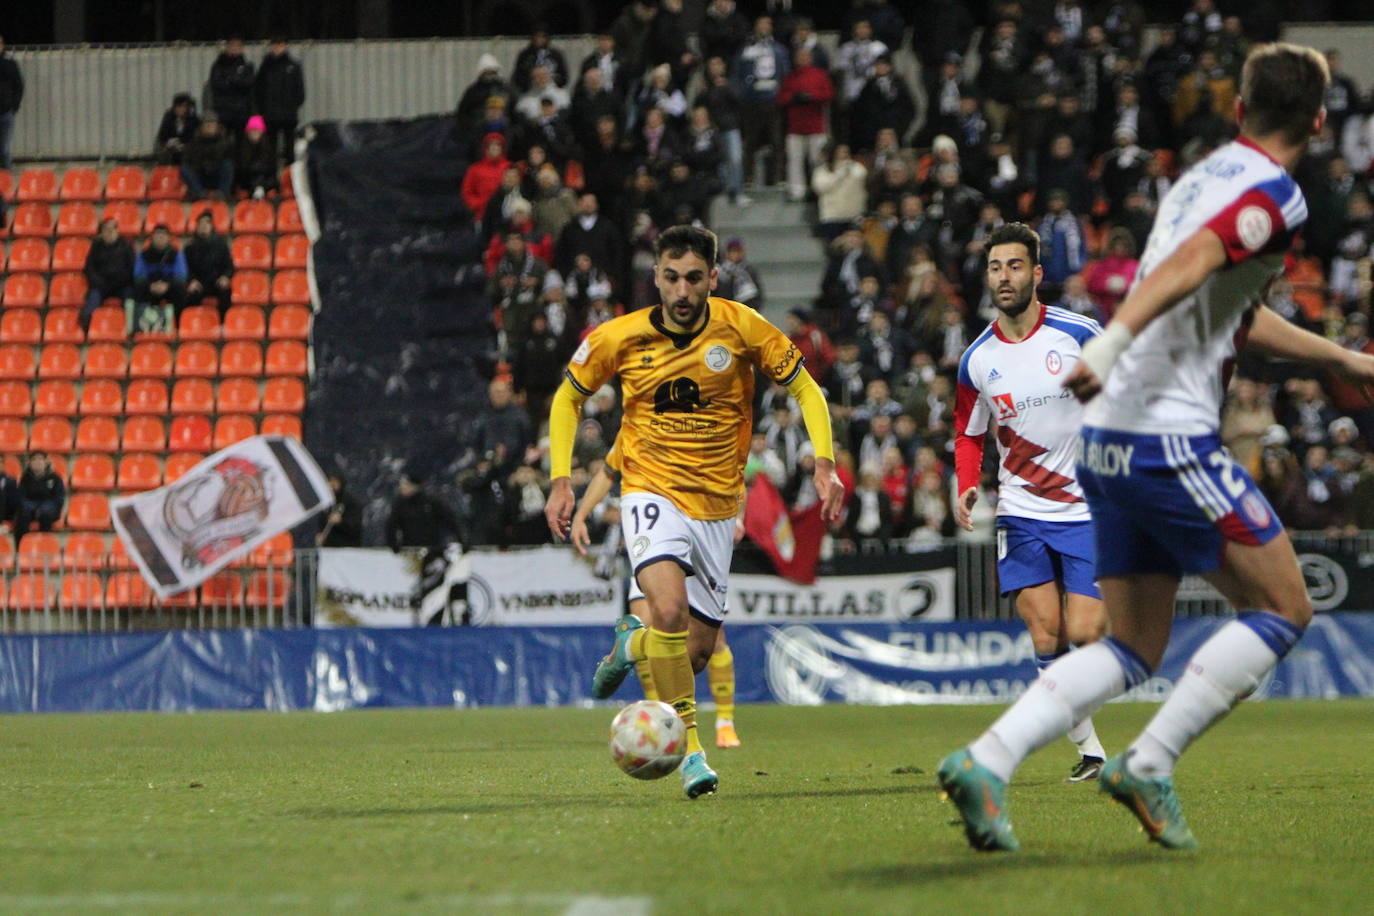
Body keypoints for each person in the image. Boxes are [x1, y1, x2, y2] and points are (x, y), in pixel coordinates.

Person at [938, 43, 1374, 854]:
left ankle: (986, 758)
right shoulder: (1276, 193)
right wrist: (1112, 344)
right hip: (1164, 434)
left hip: (1103, 440)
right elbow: (1195, 262)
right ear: (1319, 121)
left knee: (1134, 645)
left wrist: (1345, 360)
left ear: (1239, 110)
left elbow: (1228, 310)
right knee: (1285, 606)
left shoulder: (1198, 178)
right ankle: (1149, 760)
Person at [544, 225, 844, 798]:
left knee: (697, 651)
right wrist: (563, 482)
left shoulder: (742, 327)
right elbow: (567, 397)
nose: (682, 291)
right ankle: (691, 751)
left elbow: (807, 389)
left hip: (716, 507)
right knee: (668, 607)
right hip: (652, 492)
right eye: (671, 277)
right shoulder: (620, 336)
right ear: (656, 276)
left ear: (713, 277)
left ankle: (629, 644)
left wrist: (823, 463)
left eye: (694, 278)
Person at [952, 222, 1109, 783]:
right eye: (995, 268)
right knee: (1045, 633)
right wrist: (967, 480)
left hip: (1088, 506)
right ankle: (1091, 752)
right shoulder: (977, 359)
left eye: (1015, 266)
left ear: (1037, 273)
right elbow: (968, 432)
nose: (1004, 277)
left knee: (1086, 634)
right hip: (1020, 510)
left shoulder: (1080, 333)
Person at [570, 439, 745, 748]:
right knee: (648, 619)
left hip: (701, 535)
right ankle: (666, 721)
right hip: (656, 536)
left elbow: (734, 471)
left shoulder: (711, 421)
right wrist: (582, 512)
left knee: (704, 647)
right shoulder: (642, 422)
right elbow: (610, 471)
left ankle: (725, 722)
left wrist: (736, 514)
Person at [778, 47, 834, 202]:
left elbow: (829, 94)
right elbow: (781, 98)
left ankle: (819, 189)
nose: (802, 59)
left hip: (816, 126)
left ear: (810, 58)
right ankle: (797, 191)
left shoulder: (820, 75)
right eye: (799, 56)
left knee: (818, 161)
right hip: (795, 127)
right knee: (794, 161)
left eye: (805, 56)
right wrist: (794, 97)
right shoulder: (789, 77)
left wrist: (811, 96)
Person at [254, 36, 305, 164]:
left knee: (289, 149)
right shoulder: (266, 66)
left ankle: (289, 178)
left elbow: (299, 90)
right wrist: (262, 109)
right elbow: (259, 89)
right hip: (270, 115)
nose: (277, 48)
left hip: (289, 114)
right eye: (275, 45)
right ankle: (272, 180)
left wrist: (293, 105)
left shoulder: (293, 65)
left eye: (280, 45)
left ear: (286, 46)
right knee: (270, 149)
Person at [82, 218, 135, 331]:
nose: (110, 232)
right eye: (107, 229)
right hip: (102, 285)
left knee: (130, 298)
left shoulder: (126, 246)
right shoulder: (95, 247)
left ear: (117, 231)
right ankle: (86, 327)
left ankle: (132, 327)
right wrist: (98, 282)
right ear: (102, 232)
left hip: (122, 285)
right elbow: (89, 269)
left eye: (113, 229)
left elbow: (132, 268)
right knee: (93, 298)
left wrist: (122, 281)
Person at [132, 224, 188, 332]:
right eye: (157, 235)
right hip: (151, 286)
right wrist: (151, 285)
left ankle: (177, 325)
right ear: (152, 237)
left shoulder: (176, 254)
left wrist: (166, 285)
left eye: (163, 235)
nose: (160, 238)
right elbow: (138, 276)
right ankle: (144, 325)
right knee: (138, 289)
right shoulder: (144, 255)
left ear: (168, 238)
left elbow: (181, 276)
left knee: (180, 289)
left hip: (169, 286)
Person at [184, 211, 234, 315]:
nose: (203, 226)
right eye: (201, 224)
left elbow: (229, 266)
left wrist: (225, 277)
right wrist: (191, 280)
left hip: (216, 282)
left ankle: (223, 323)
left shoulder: (221, 246)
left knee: (226, 291)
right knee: (190, 293)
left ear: (212, 226)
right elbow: (186, 268)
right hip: (199, 282)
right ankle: (193, 322)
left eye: (207, 223)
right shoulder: (189, 248)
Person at [208, 37, 256, 137]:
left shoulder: (247, 66)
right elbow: (216, 85)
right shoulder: (218, 65)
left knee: (241, 141)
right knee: (223, 141)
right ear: (227, 47)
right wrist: (235, 82)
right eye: (232, 46)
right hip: (223, 111)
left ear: (242, 48)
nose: (234, 49)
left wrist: (231, 80)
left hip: (241, 111)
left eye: (237, 46)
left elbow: (248, 85)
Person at [180, 113, 234, 200]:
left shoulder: (225, 142)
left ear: (217, 127)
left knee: (228, 165)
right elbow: (187, 160)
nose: (209, 126)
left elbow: (227, 162)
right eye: (206, 124)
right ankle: (199, 194)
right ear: (201, 127)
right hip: (201, 177)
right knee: (184, 168)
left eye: (212, 124)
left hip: (217, 177)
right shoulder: (193, 143)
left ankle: (222, 194)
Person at [15, 452, 64, 546]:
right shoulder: (25, 478)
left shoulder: (55, 478)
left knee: (46, 514)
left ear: (46, 462)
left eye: (40, 459)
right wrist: (31, 507)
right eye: (34, 459)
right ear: (30, 463)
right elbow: (21, 497)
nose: (37, 462)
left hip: (49, 509)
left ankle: (44, 546)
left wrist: (45, 507)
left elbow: (58, 499)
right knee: (22, 515)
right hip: (30, 508)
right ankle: (21, 547)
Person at [235, 115, 278, 198]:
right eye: (252, 131)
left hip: (265, 182)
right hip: (248, 182)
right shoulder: (242, 150)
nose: (254, 134)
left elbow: (271, 169)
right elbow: (242, 170)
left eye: (257, 131)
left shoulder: (268, 149)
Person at [317, 472, 363, 547]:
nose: (332, 485)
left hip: (348, 549)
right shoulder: (326, 504)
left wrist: (341, 521)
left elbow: (356, 527)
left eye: (335, 482)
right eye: (330, 481)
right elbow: (322, 524)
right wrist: (321, 536)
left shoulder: (351, 502)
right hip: (329, 549)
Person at [154, 92, 200, 164]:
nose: (181, 109)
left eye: (184, 106)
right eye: (179, 106)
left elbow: (195, 138)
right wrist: (170, 143)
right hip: (171, 148)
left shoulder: (193, 120)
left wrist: (183, 145)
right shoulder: (169, 117)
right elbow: (162, 135)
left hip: (187, 148)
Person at [0, 34, 22, 170]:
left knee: (4, 146)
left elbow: (18, 85)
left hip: (6, 110)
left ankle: (6, 171)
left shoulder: (9, 63)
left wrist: (15, 105)